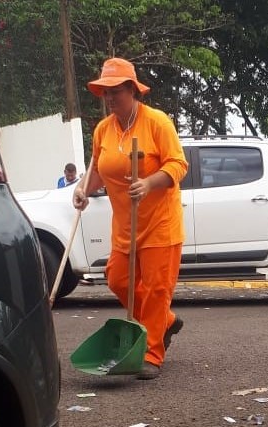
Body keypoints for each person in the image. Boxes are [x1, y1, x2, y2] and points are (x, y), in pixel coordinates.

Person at [72, 57, 188, 380]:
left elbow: (178, 166)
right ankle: (163, 320)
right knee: (118, 279)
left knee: (155, 290)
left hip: (159, 225)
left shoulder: (157, 123)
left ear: (132, 90)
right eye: (104, 92)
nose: (109, 98)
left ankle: (152, 352)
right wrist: (82, 190)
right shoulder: (102, 130)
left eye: (115, 92)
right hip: (125, 227)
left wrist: (149, 182)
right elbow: (98, 172)